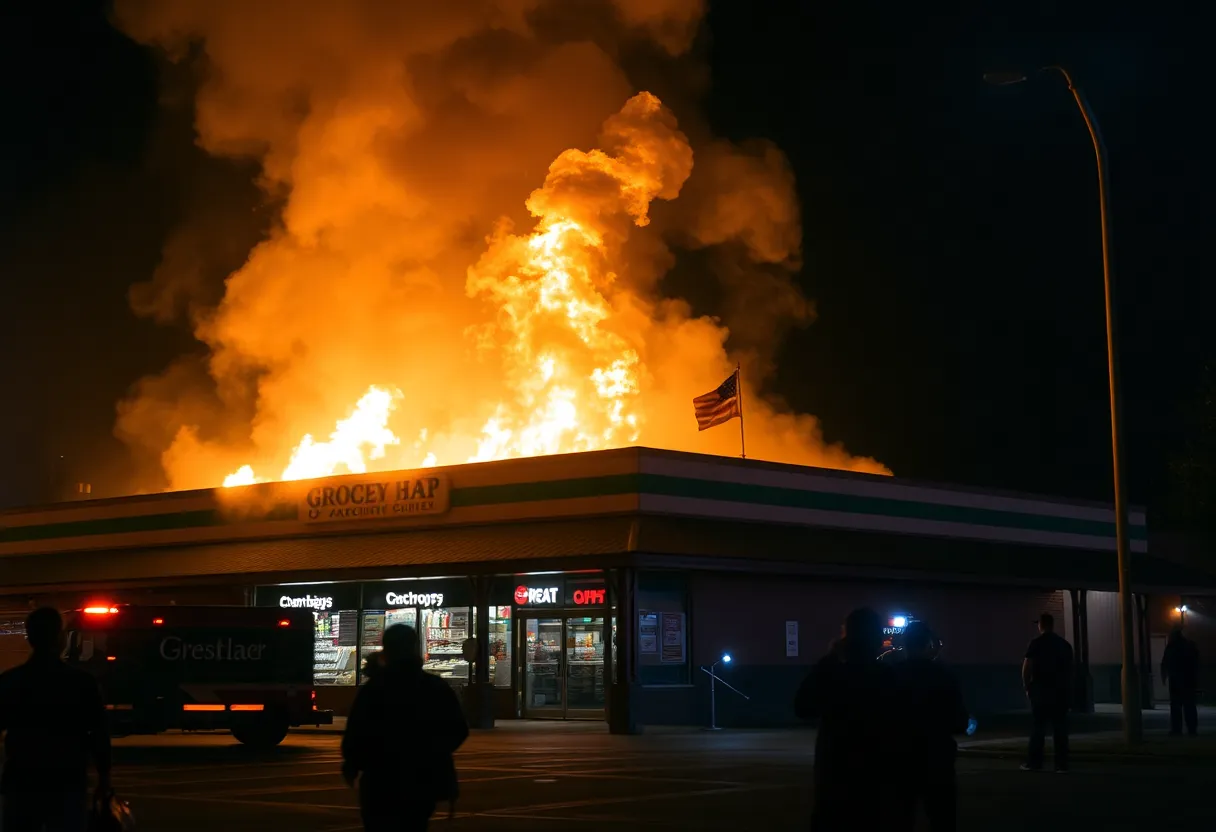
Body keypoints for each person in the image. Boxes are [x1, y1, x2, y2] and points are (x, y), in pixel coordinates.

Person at [342, 624, 469, 831]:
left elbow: (356, 733)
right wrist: (433, 753)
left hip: (380, 782)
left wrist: (353, 764)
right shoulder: (434, 687)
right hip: (421, 781)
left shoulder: (374, 689)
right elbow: (458, 730)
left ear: (387, 649)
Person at [0, 606, 113, 832]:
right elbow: (98, 733)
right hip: (67, 780)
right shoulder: (81, 683)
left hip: (22, 780)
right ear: (60, 639)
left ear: (30, 638)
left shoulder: (10, 682)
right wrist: (104, 777)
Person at [794, 607, 901, 831]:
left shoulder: (830, 671)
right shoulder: (886, 676)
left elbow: (802, 707)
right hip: (876, 775)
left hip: (835, 770)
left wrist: (830, 658)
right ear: (877, 638)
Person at [893, 622, 969, 831]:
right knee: (942, 817)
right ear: (928, 644)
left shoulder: (891, 675)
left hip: (900, 757)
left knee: (900, 816)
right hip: (938, 756)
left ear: (905, 645)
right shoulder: (944, 675)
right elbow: (959, 721)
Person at [1021, 612, 1073, 772]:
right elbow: (1070, 671)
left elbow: (1026, 667)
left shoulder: (1035, 644)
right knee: (1060, 729)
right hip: (1059, 692)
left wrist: (1027, 687)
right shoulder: (1064, 645)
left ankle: (1035, 762)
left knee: (1038, 728)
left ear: (1041, 625)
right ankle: (1061, 764)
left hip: (1040, 691)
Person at [1161, 624, 1200, 736]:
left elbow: (1165, 662)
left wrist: (1164, 676)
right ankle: (1192, 729)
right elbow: (1196, 663)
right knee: (1190, 705)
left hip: (1176, 679)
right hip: (1189, 680)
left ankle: (1177, 729)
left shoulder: (1171, 646)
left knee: (1176, 706)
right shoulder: (1190, 646)